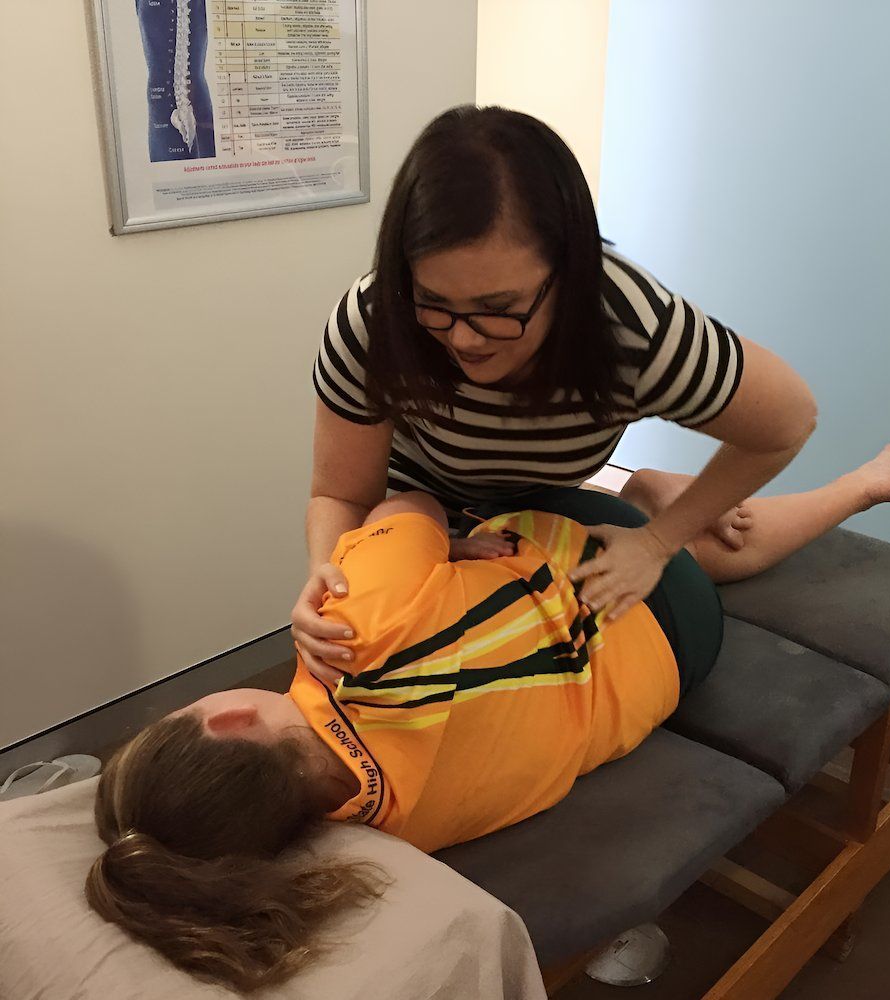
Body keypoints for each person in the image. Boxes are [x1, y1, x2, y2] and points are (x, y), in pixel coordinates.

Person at [85, 488, 733, 991]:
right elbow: (407, 501)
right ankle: (668, 502)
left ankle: (803, 498)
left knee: (698, 543)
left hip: (683, 663)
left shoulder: (390, 825)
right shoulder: (351, 630)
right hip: (631, 581)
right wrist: (422, 546)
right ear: (225, 721)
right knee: (479, 499)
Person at [294, 103, 827, 689]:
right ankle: (646, 491)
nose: (464, 338)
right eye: (435, 303)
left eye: (499, 310)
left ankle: (860, 484)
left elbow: (790, 419)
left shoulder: (634, 328)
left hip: (550, 505)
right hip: (421, 517)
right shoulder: (376, 321)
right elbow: (341, 494)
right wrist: (330, 575)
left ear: (570, 273)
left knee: (711, 547)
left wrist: (655, 542)